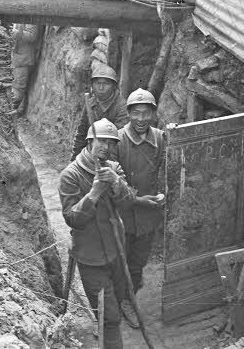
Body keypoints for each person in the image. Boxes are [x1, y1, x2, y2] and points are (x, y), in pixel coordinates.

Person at [59, 118, 136, 349]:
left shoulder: (113, 167)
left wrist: (116, 183)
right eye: (101, 141)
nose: (105, 147)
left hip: (117, 251)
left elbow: (129, 203)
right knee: (108, 317)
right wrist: (93, 194)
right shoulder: (70, 175)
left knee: (117, 303)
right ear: (90, 140)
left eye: (110, 143)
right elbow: (73, 219)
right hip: (91, 257)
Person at [115, 88, 167, 328]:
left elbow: (166, 170)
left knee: (138, 262)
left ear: (153, 114)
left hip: (148, 215)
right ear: (128, 114)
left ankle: (130, 298)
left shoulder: (159, 138)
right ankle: (119, 302)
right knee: (119, 259)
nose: (141, 119)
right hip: (123, 212)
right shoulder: (117, 140)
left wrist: (163, 193)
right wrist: (137, 200)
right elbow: (115, 182)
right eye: (136, 113)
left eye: (146, 113)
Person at [72, 66, 128, 159]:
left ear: (114, 86)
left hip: (111, 156)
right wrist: (75, 159)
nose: (101, 87)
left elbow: (118, 140)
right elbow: (81, 134)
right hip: (91, 154)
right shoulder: (90, 103)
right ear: (92, 85)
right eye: (98, 83)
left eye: (106, 84)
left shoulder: (121, 106)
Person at [9, 24, 40, 116]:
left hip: (24, 59)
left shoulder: (30, 18)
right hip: (19, 58)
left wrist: (15, 33)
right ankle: (18, 110)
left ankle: (13, 110)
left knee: (19, 86)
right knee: (16, 85)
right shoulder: (21, 17)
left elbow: (32, 36)